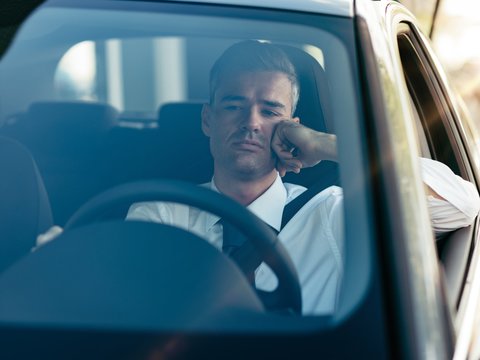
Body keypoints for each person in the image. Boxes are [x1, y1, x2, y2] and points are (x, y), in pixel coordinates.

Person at [126, 40, 480, 315]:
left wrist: (325, 144)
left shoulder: (334, 213)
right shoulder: (162, 213)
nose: (251, 122)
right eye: (233, 106)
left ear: (292, 125)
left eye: (270, 111)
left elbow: (460, 205)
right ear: (208, 120)